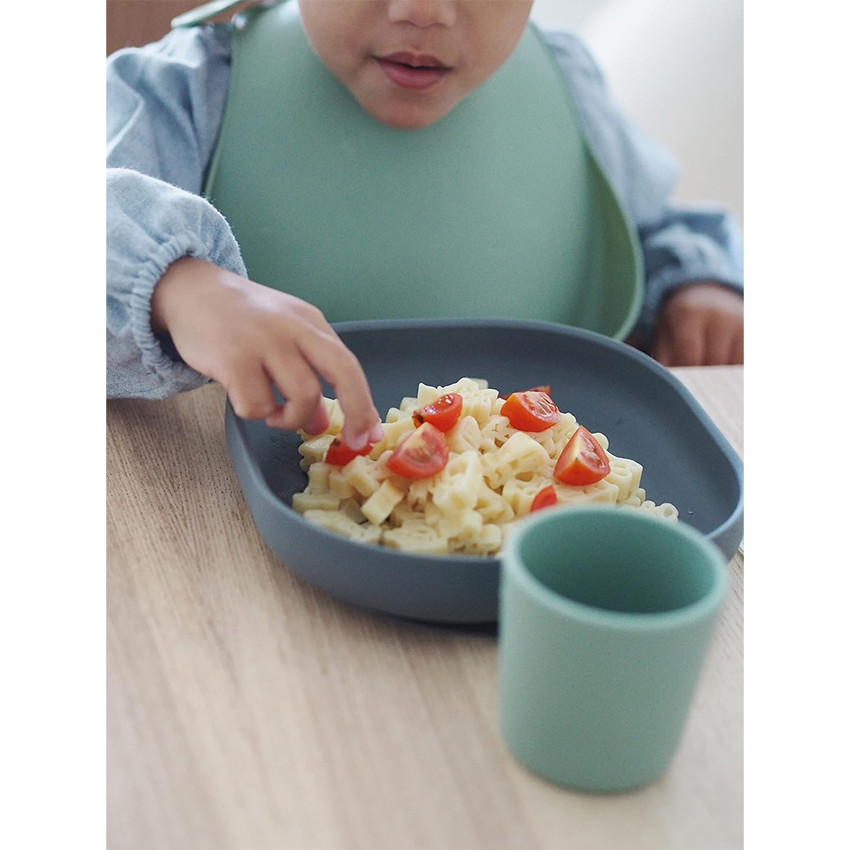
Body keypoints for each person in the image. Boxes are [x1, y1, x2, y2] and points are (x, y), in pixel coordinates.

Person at [107, 0, 743, 450]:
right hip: (228, 507)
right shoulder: (188, 87)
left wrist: (698, 288)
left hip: (535, 523)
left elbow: (650, 232)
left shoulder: (567, 81)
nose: (423, 10)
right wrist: (179, 288)